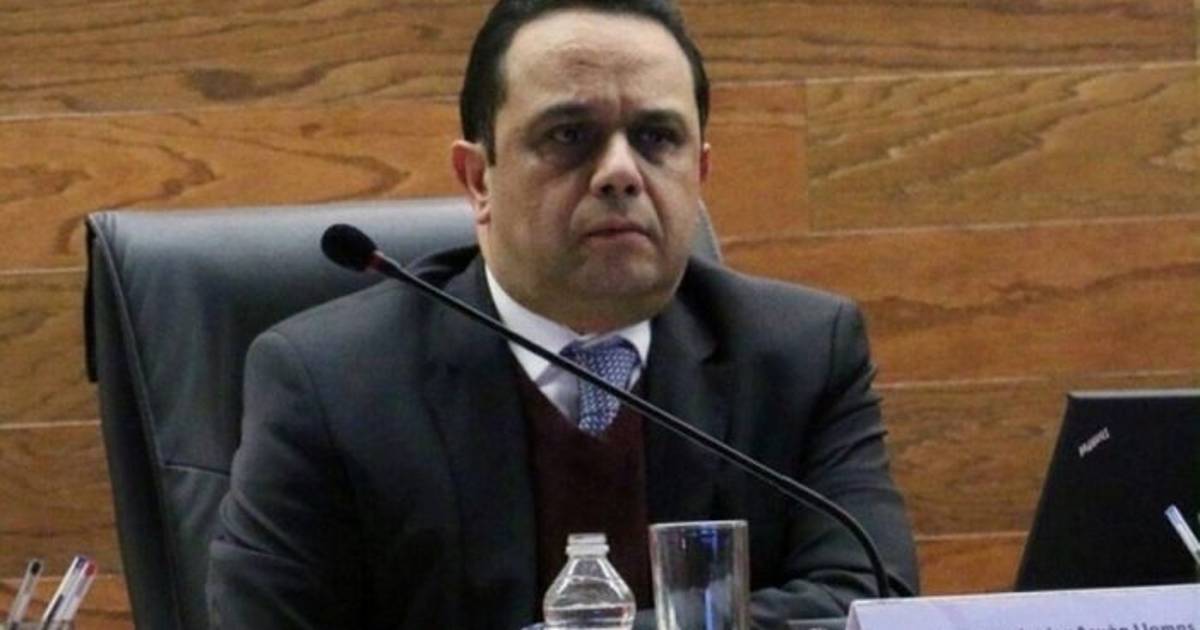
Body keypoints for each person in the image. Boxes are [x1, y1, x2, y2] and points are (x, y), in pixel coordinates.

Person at [207, 1, 919, 628]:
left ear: (699, 174)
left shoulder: (801, 354)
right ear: (478, 180)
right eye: (569, 136)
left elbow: (867, 601)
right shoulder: (330, 383)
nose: (621, 172)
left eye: (657, 138)